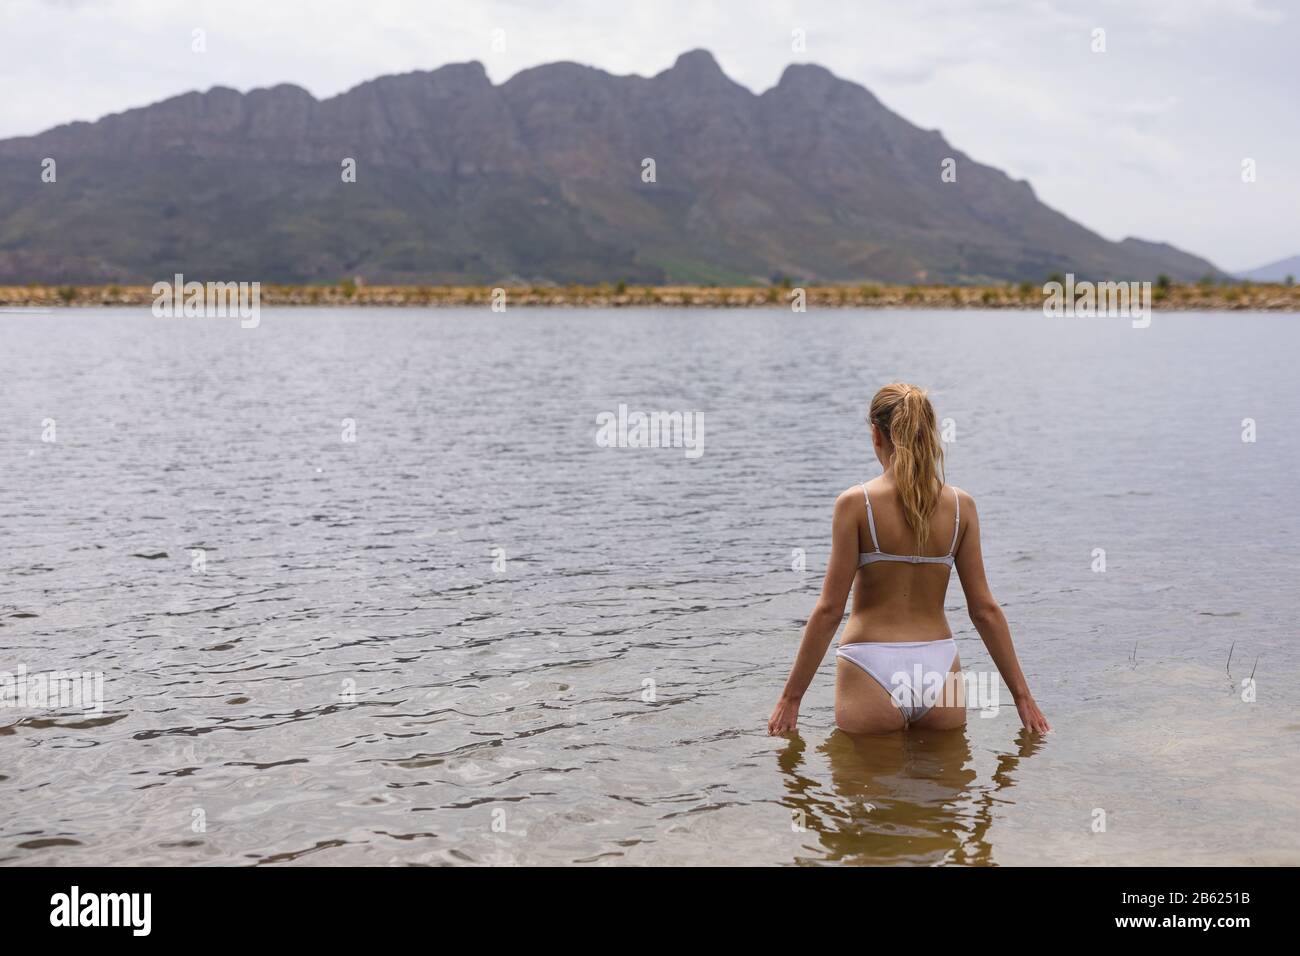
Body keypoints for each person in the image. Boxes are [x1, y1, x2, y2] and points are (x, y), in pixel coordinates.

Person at [767, 382, 1049, 736]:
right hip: (940, 667)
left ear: (876, 435)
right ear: (929, 434)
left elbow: (829, 610)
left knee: (870, 788)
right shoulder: (962, 507)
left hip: (869, 665)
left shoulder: (856, 504)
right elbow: (984, 610)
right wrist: (1022, 696)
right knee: (941, 786)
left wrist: (791, 698)